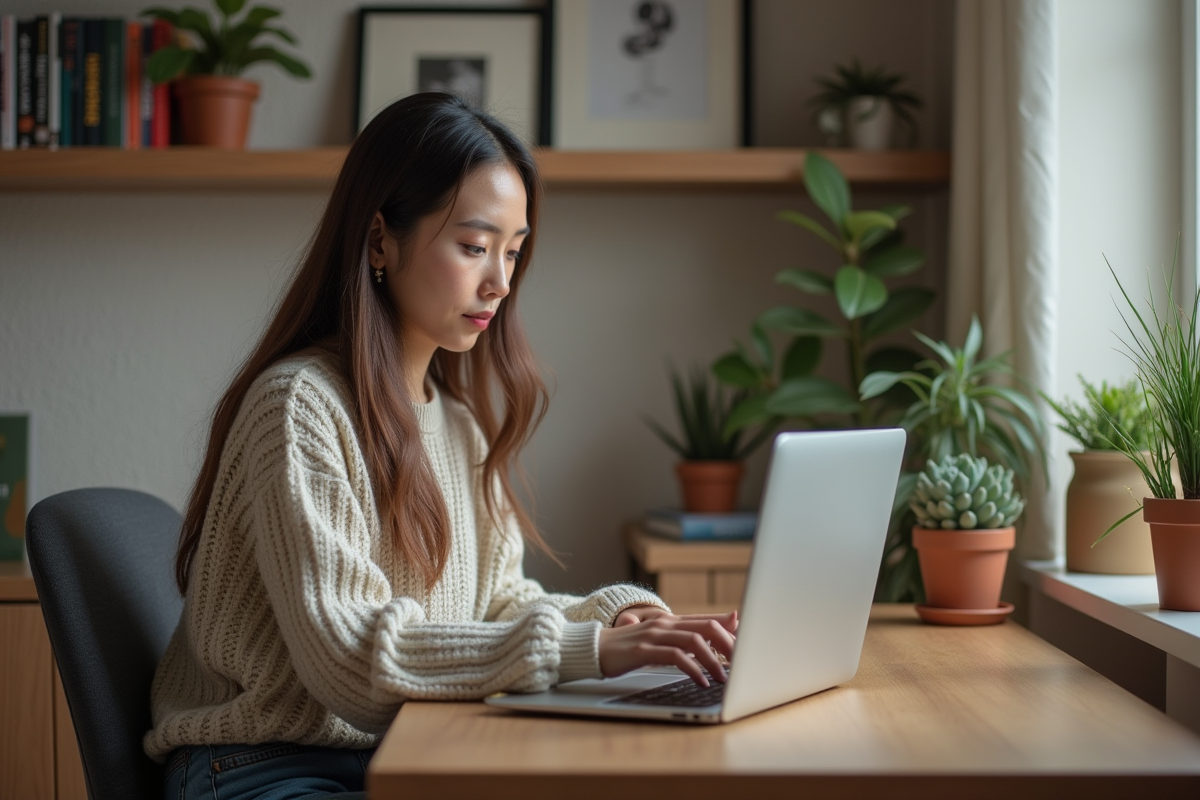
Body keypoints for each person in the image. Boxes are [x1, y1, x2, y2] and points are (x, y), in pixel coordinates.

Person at [145, 93, 738, 800]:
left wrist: (612, 617)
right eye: (474, 246)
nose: (501, 282)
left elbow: (496, 604)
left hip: (399, 750)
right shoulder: (298, 406)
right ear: (378, 241)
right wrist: (589, 652)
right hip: (259, 766)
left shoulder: (456, 422)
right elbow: (351, 663)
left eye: (513, 253)